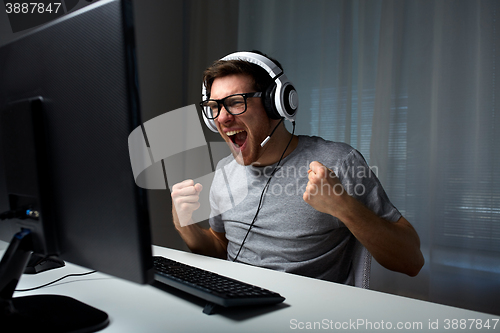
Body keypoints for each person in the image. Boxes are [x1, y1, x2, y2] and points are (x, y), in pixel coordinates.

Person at [171, 51, 424, 285]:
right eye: (214, 108)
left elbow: (411, 261)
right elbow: (220, 247)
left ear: (277, 103)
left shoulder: (337, 161)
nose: (223, 118)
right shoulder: (225, 171)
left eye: (236, 102)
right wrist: (185, 225)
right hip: (234, 307)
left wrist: (344, 207)